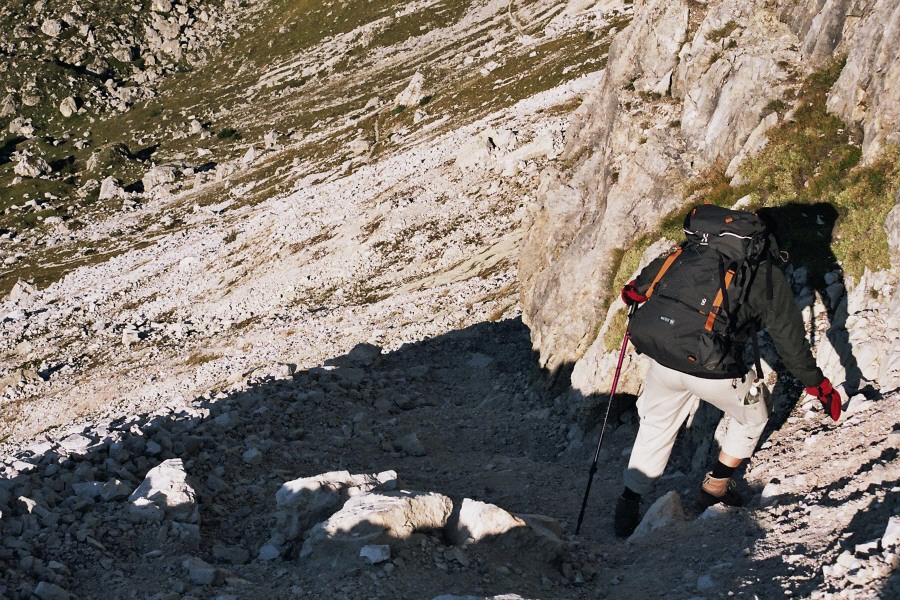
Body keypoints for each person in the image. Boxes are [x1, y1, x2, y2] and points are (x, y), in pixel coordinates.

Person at [613, 215, 842, 538]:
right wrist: (816, 383)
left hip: (662, 356)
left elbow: (638, 289)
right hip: (711, 366)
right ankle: (717, 485)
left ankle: (628, 502)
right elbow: (789, 341)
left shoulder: (689, 252)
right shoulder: (764, 274)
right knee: (754, 413)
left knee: (657, 423)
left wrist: (633, 295)